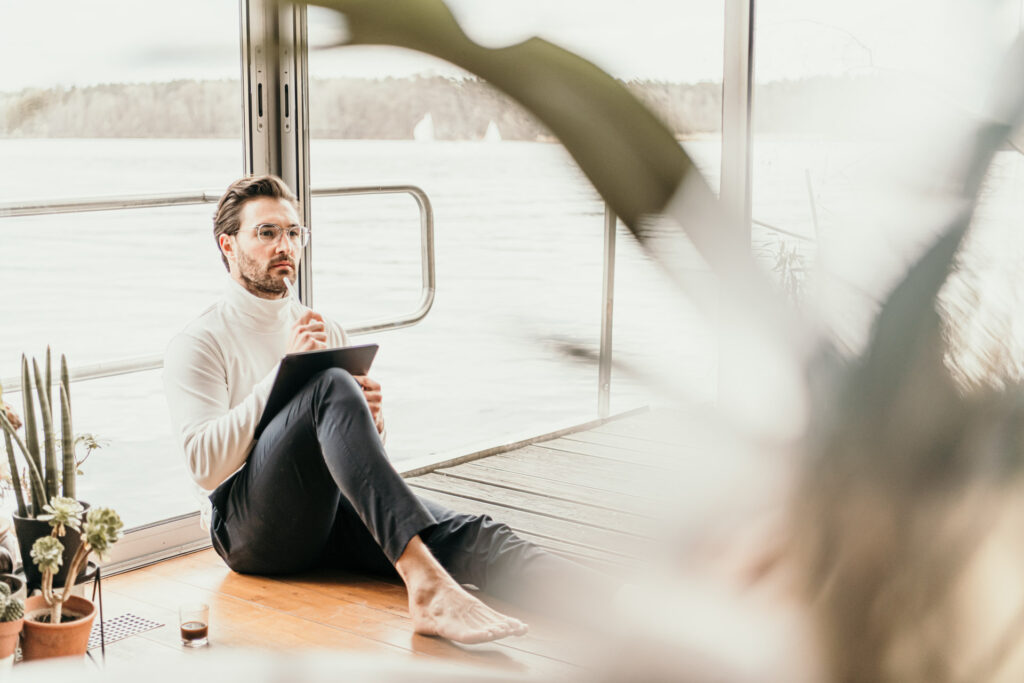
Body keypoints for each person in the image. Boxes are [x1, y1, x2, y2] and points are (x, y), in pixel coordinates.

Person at [163, 174, 605, 645]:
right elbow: (205, 468)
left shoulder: (321, 326)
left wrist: (370, 416)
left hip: (327, 513)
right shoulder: (200, 341)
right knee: (330, 384)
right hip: (248, 533)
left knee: (476, 536)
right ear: (228, 245)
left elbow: (359, 459)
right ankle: (428, 587)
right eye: (266, 232)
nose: (284, 245)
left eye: (293, 233)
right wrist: (284, 375)